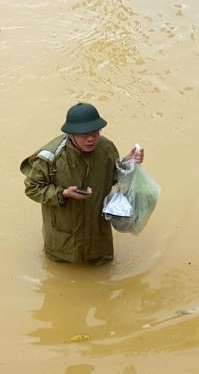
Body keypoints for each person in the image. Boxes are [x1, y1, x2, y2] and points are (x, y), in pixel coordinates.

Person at [21, 102, 145, 265]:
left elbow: (115, 179)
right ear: (70, 134)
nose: (91, 139)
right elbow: (32, 188)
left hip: (98, 239)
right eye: (84, 134)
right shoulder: (51, 157)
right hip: (62, 241)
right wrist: (63, 193)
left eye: (95, 132)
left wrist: (128, 163)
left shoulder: (107, 148)